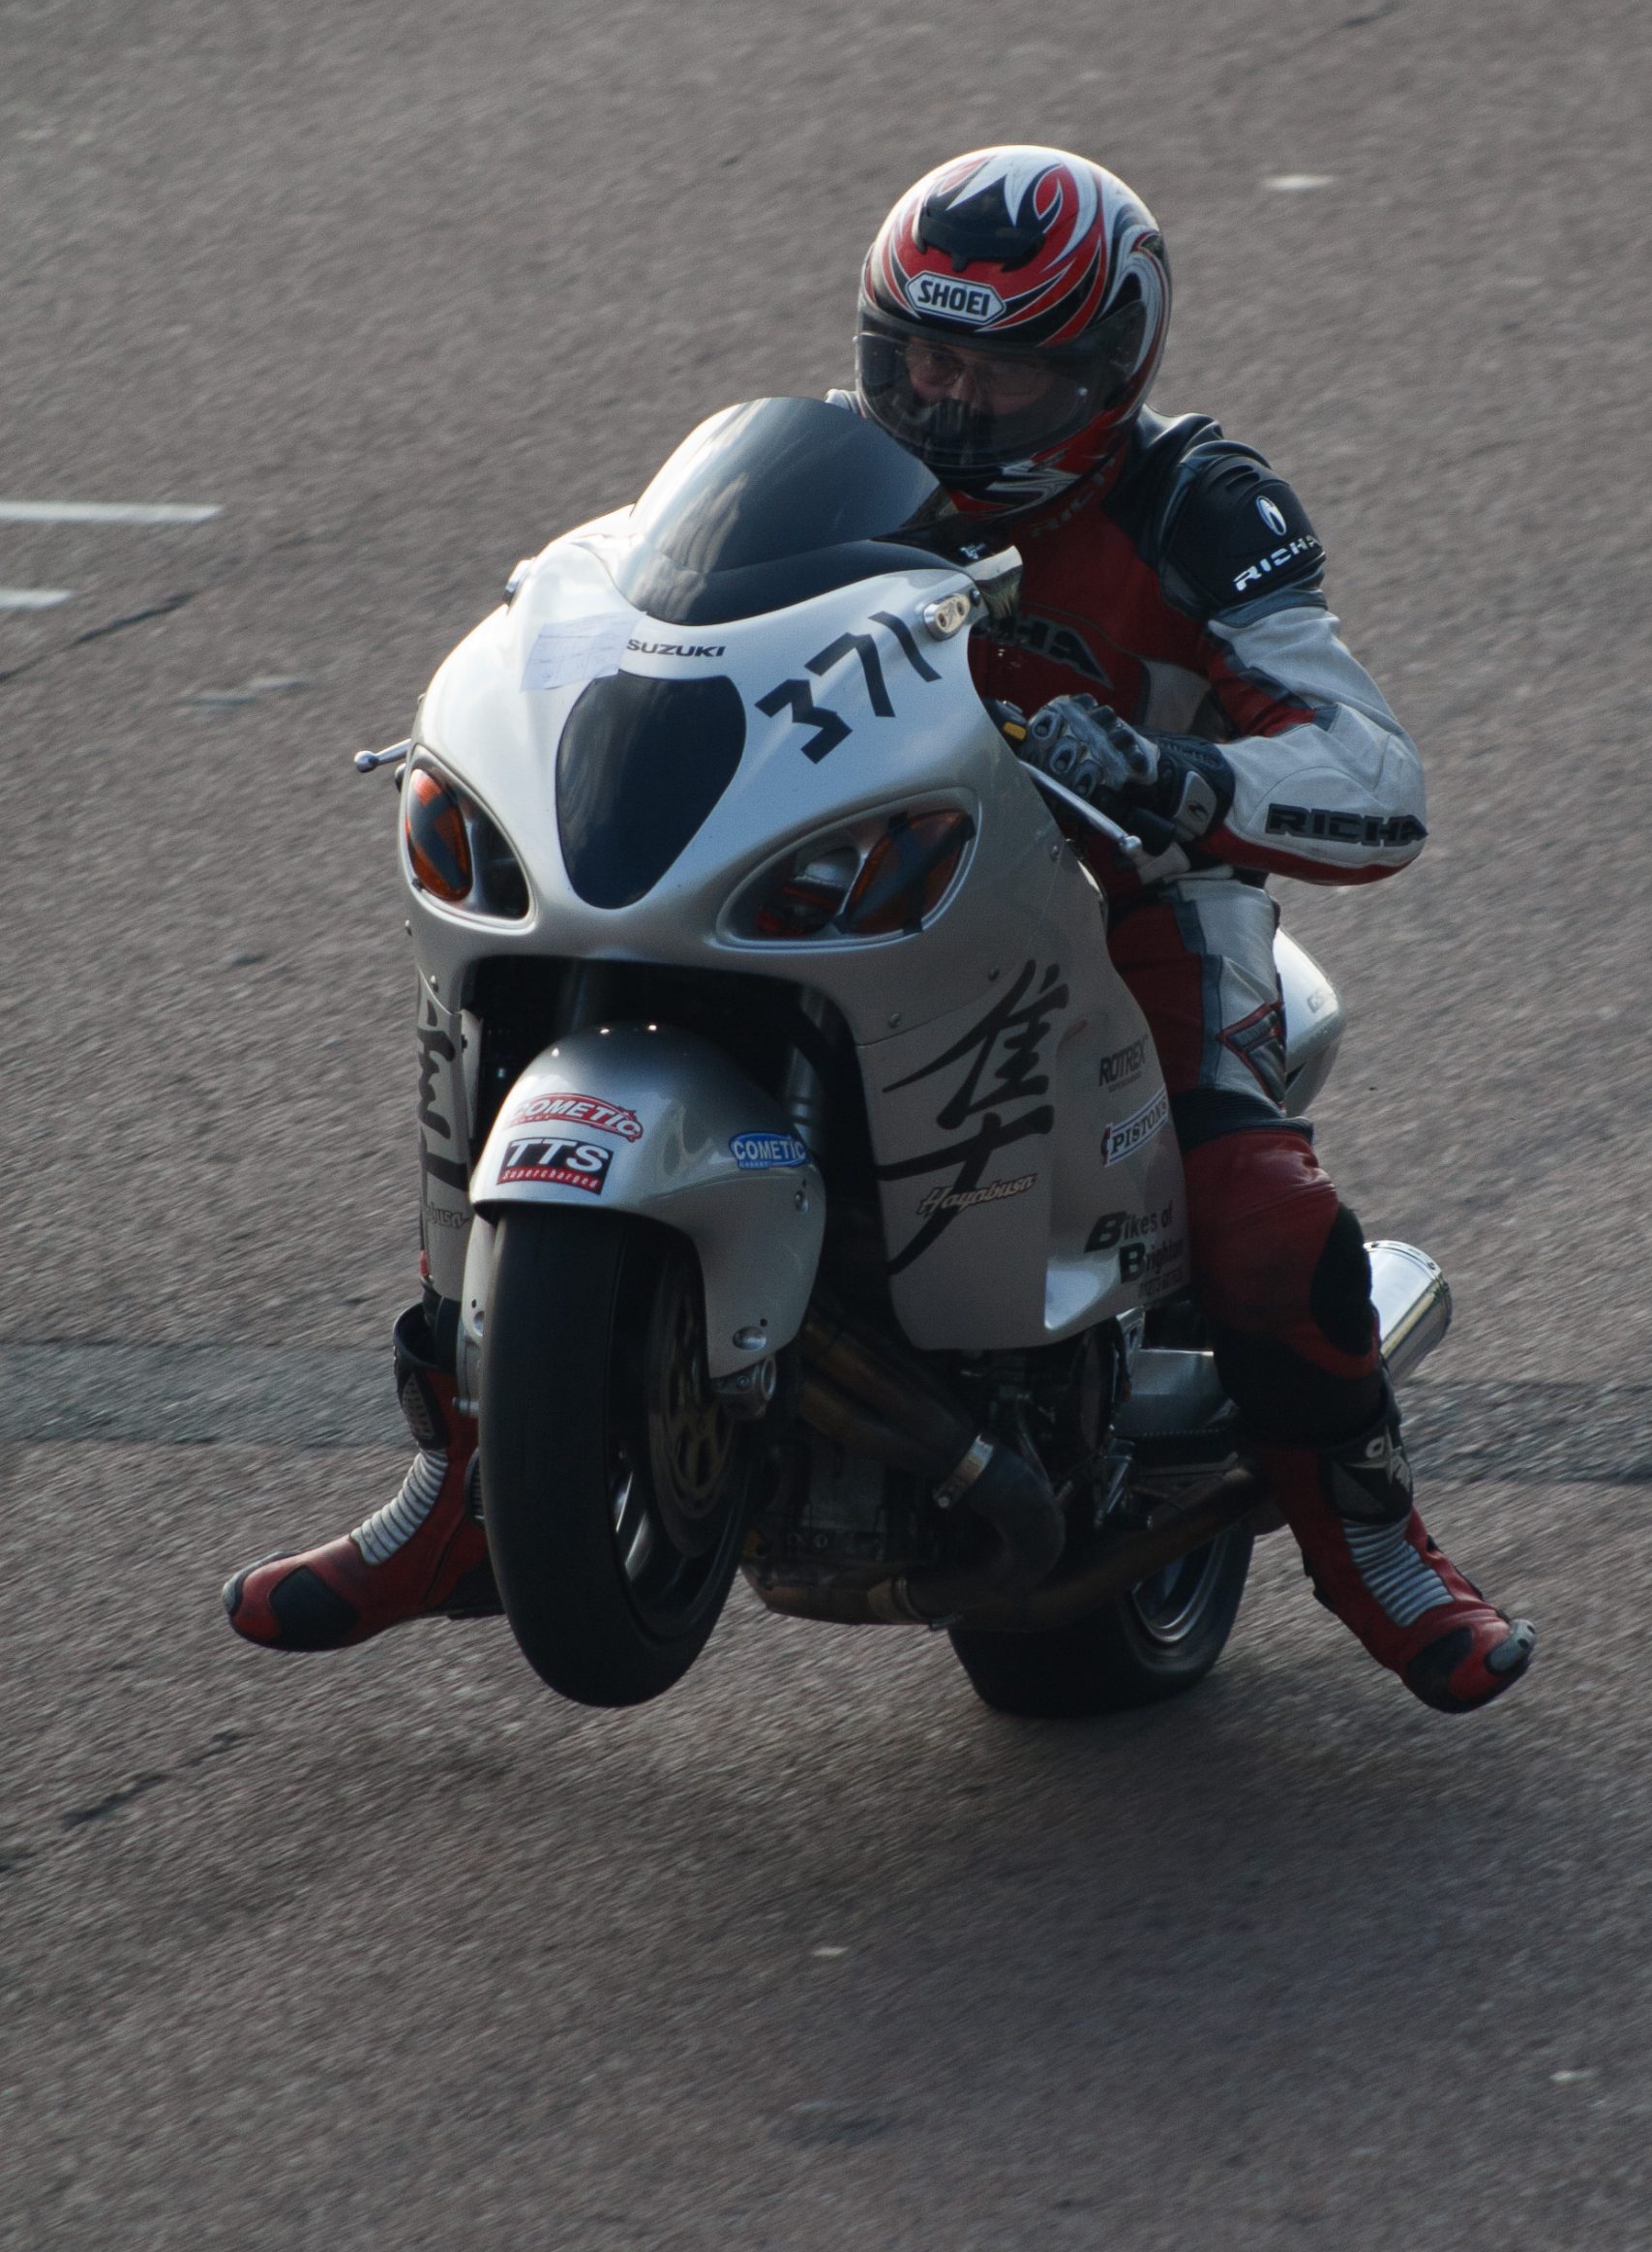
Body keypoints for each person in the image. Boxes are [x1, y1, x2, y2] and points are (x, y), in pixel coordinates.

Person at [226, 142, 1534, 1716]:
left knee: (1257, 1203)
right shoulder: (815, 473)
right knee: (485, 1043)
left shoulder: (1201, 505)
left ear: (1111, 366)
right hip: (875, 872)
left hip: (1130, 897)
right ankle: (463, 1502)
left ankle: (1383, 1558)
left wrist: (1178, 771)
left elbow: (1372, 773)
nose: (952, 401)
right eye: (919, 355)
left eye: (1004, 372)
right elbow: (614, 596)